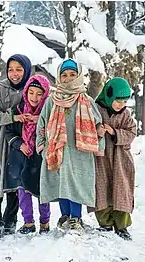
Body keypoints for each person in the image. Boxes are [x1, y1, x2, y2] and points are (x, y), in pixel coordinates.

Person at [36, 59, 104, 232]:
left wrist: (99, 138)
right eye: (64, 75)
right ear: (59, 77)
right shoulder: (52, 100)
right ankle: (65, 215)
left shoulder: (86, 100)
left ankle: (76, 217)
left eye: (72, 74)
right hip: (56, 150)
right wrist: (42, 146)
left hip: (80, 152)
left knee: (76, 183)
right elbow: (41, 125)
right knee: (60, 183)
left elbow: (98, 124)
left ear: (79, 76)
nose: (68, 78)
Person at [0, 54, 32, 238]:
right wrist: (14, 115)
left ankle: (10, 219)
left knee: (15, 178)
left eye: (19, 69)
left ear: (26, 70)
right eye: (11, 69)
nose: (14, 74)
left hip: (18, 140)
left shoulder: (31, 88)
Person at [4, 75, 51, 234]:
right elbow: (8, 132)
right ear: (26, 92)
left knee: (42, 191)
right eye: (31, 92)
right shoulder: (17, 110)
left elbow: (54, 131)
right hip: (21, 157)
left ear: (45, 94)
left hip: (40, 158)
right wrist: (20, 144)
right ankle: (28, 222)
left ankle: (45, 222)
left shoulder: (48, 112)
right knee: (23, 192)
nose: (34, 97)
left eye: (39, 94)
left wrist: (41, 122)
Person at [94, 77, 136, 241]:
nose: (121, 105)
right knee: (102, 188)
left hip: (120, 158)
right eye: (118, 101)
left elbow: (132, 133)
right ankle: (104, 222)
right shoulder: (97, 110)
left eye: (124, 101)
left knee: (121, 189)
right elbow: (88, 126)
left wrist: (114, 132)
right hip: (101, 158)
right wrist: (98, 130)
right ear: (109, 95)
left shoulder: (125, 115)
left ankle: (121, 225)